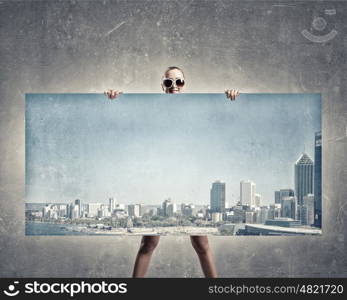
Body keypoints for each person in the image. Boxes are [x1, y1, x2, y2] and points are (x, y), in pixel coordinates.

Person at [104, 67, 240, 278]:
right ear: (162, 86)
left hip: (189, 182)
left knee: (202, 244)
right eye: (169, 82)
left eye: (179, 82)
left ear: (185, 84)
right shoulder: (151, 111)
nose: (174, 86)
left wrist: (230, 97)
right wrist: (115, 99)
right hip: (159, 180)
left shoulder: (196, 110)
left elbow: (218, 122)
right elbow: (129, 124)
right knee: (148, 243)